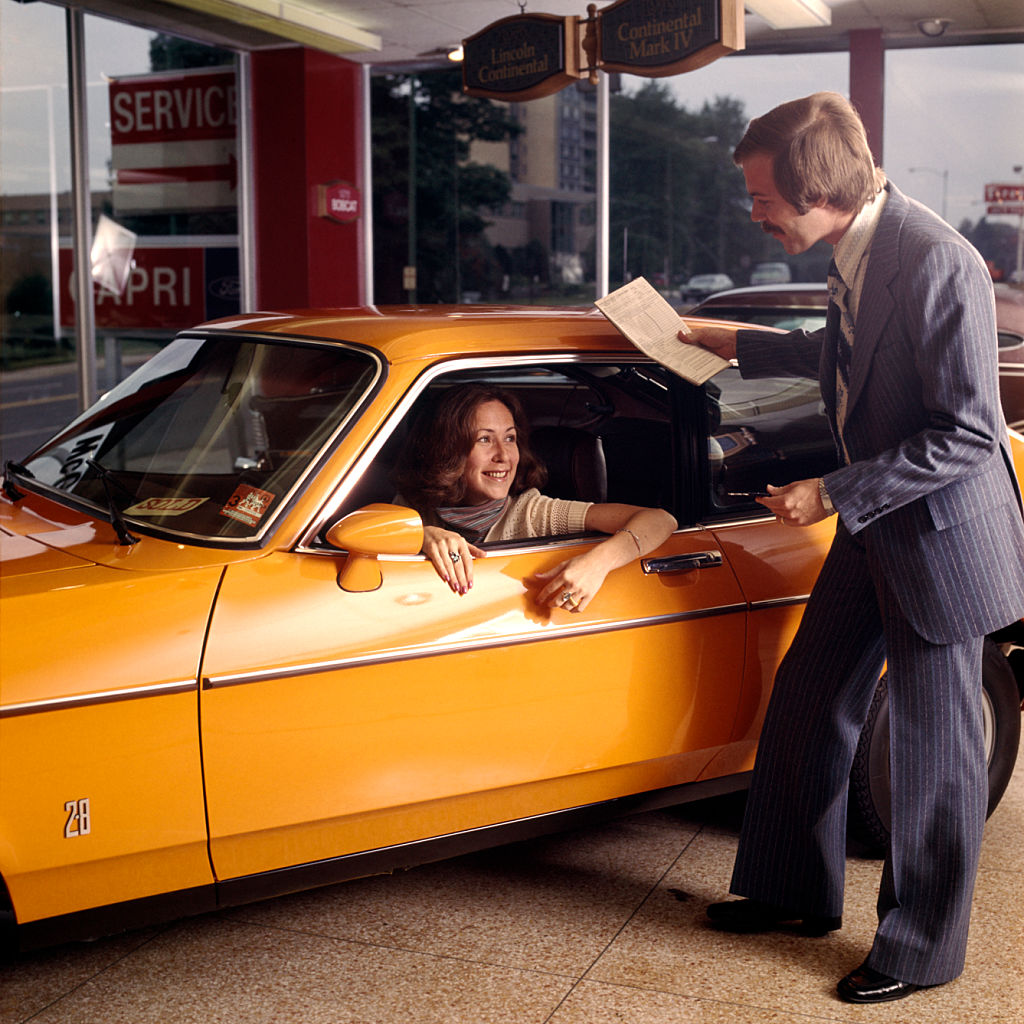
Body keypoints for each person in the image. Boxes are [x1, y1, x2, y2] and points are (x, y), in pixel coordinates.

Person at [681, 92, 1024, 1004]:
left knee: (932, 756)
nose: (752, 212)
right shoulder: (860, 248)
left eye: (762, 198)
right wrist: (732, 341)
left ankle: (918, 952)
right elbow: (845, 353)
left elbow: (967, 434)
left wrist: (830, 490)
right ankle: (794, 893)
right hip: (879, 529)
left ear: (817, 189)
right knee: (806, 699)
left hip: (942, 539)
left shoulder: (939, 260)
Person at [394, 382, 676, 610]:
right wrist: (420, 535)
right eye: (484, 439)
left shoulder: (533, 512)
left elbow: (660, 519)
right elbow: (357, 528)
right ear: (447, 449)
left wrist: (596, 564)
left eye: (510, 438)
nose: (503, 456)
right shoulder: (413, 508)